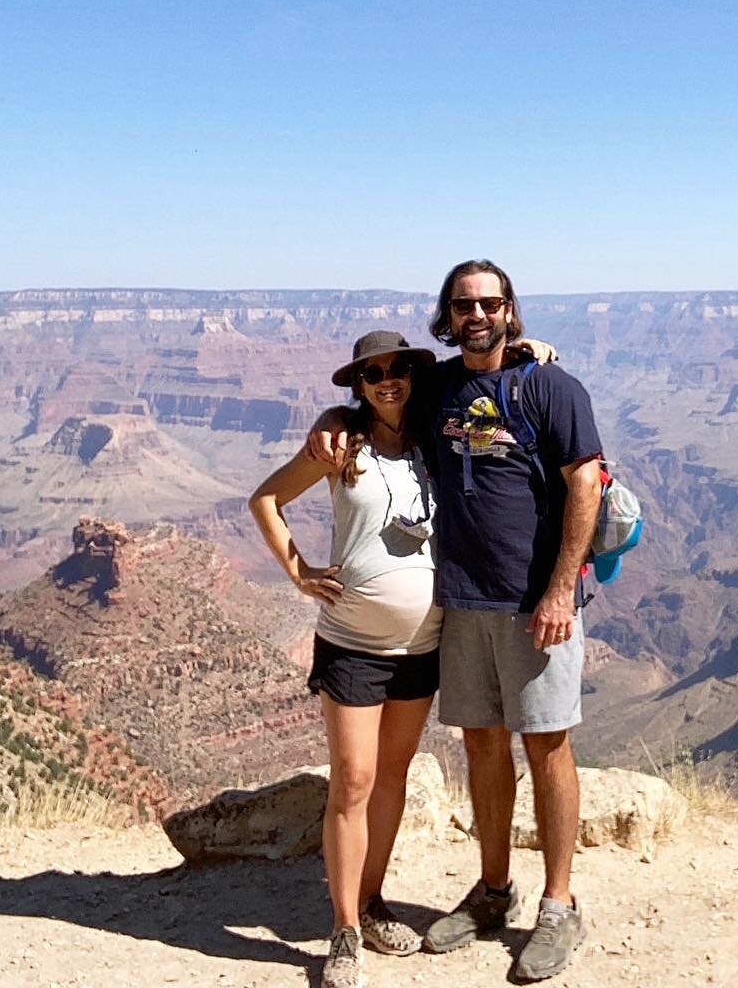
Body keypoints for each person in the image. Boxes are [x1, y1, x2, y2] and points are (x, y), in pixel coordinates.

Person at [312, 261, 603, 983]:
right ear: (447, 315)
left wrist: (561, 589)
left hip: (536, 603)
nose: (477, 313)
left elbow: (585, 483)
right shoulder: (439, 384)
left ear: (511, 310)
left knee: (547, 749)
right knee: (482, 748)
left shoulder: (550, 387)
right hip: (461, 602)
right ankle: (493, 889)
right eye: (463, 303)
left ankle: (560, 904)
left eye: (490, 302)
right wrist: (331, 419)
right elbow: (376, 403)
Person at [249, 330, 443, 988]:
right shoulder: (342, 446)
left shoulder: (437, 440)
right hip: (354, 645)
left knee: (392, 777)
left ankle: (371, 899)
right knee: (354, 780)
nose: (387, 380)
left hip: (423, 645)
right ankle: (343, 931)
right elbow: (266, 500)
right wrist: (299, 571)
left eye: (397, 370)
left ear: (414, 375)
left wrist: (537, 352)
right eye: (372, 374)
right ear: (357, 386)